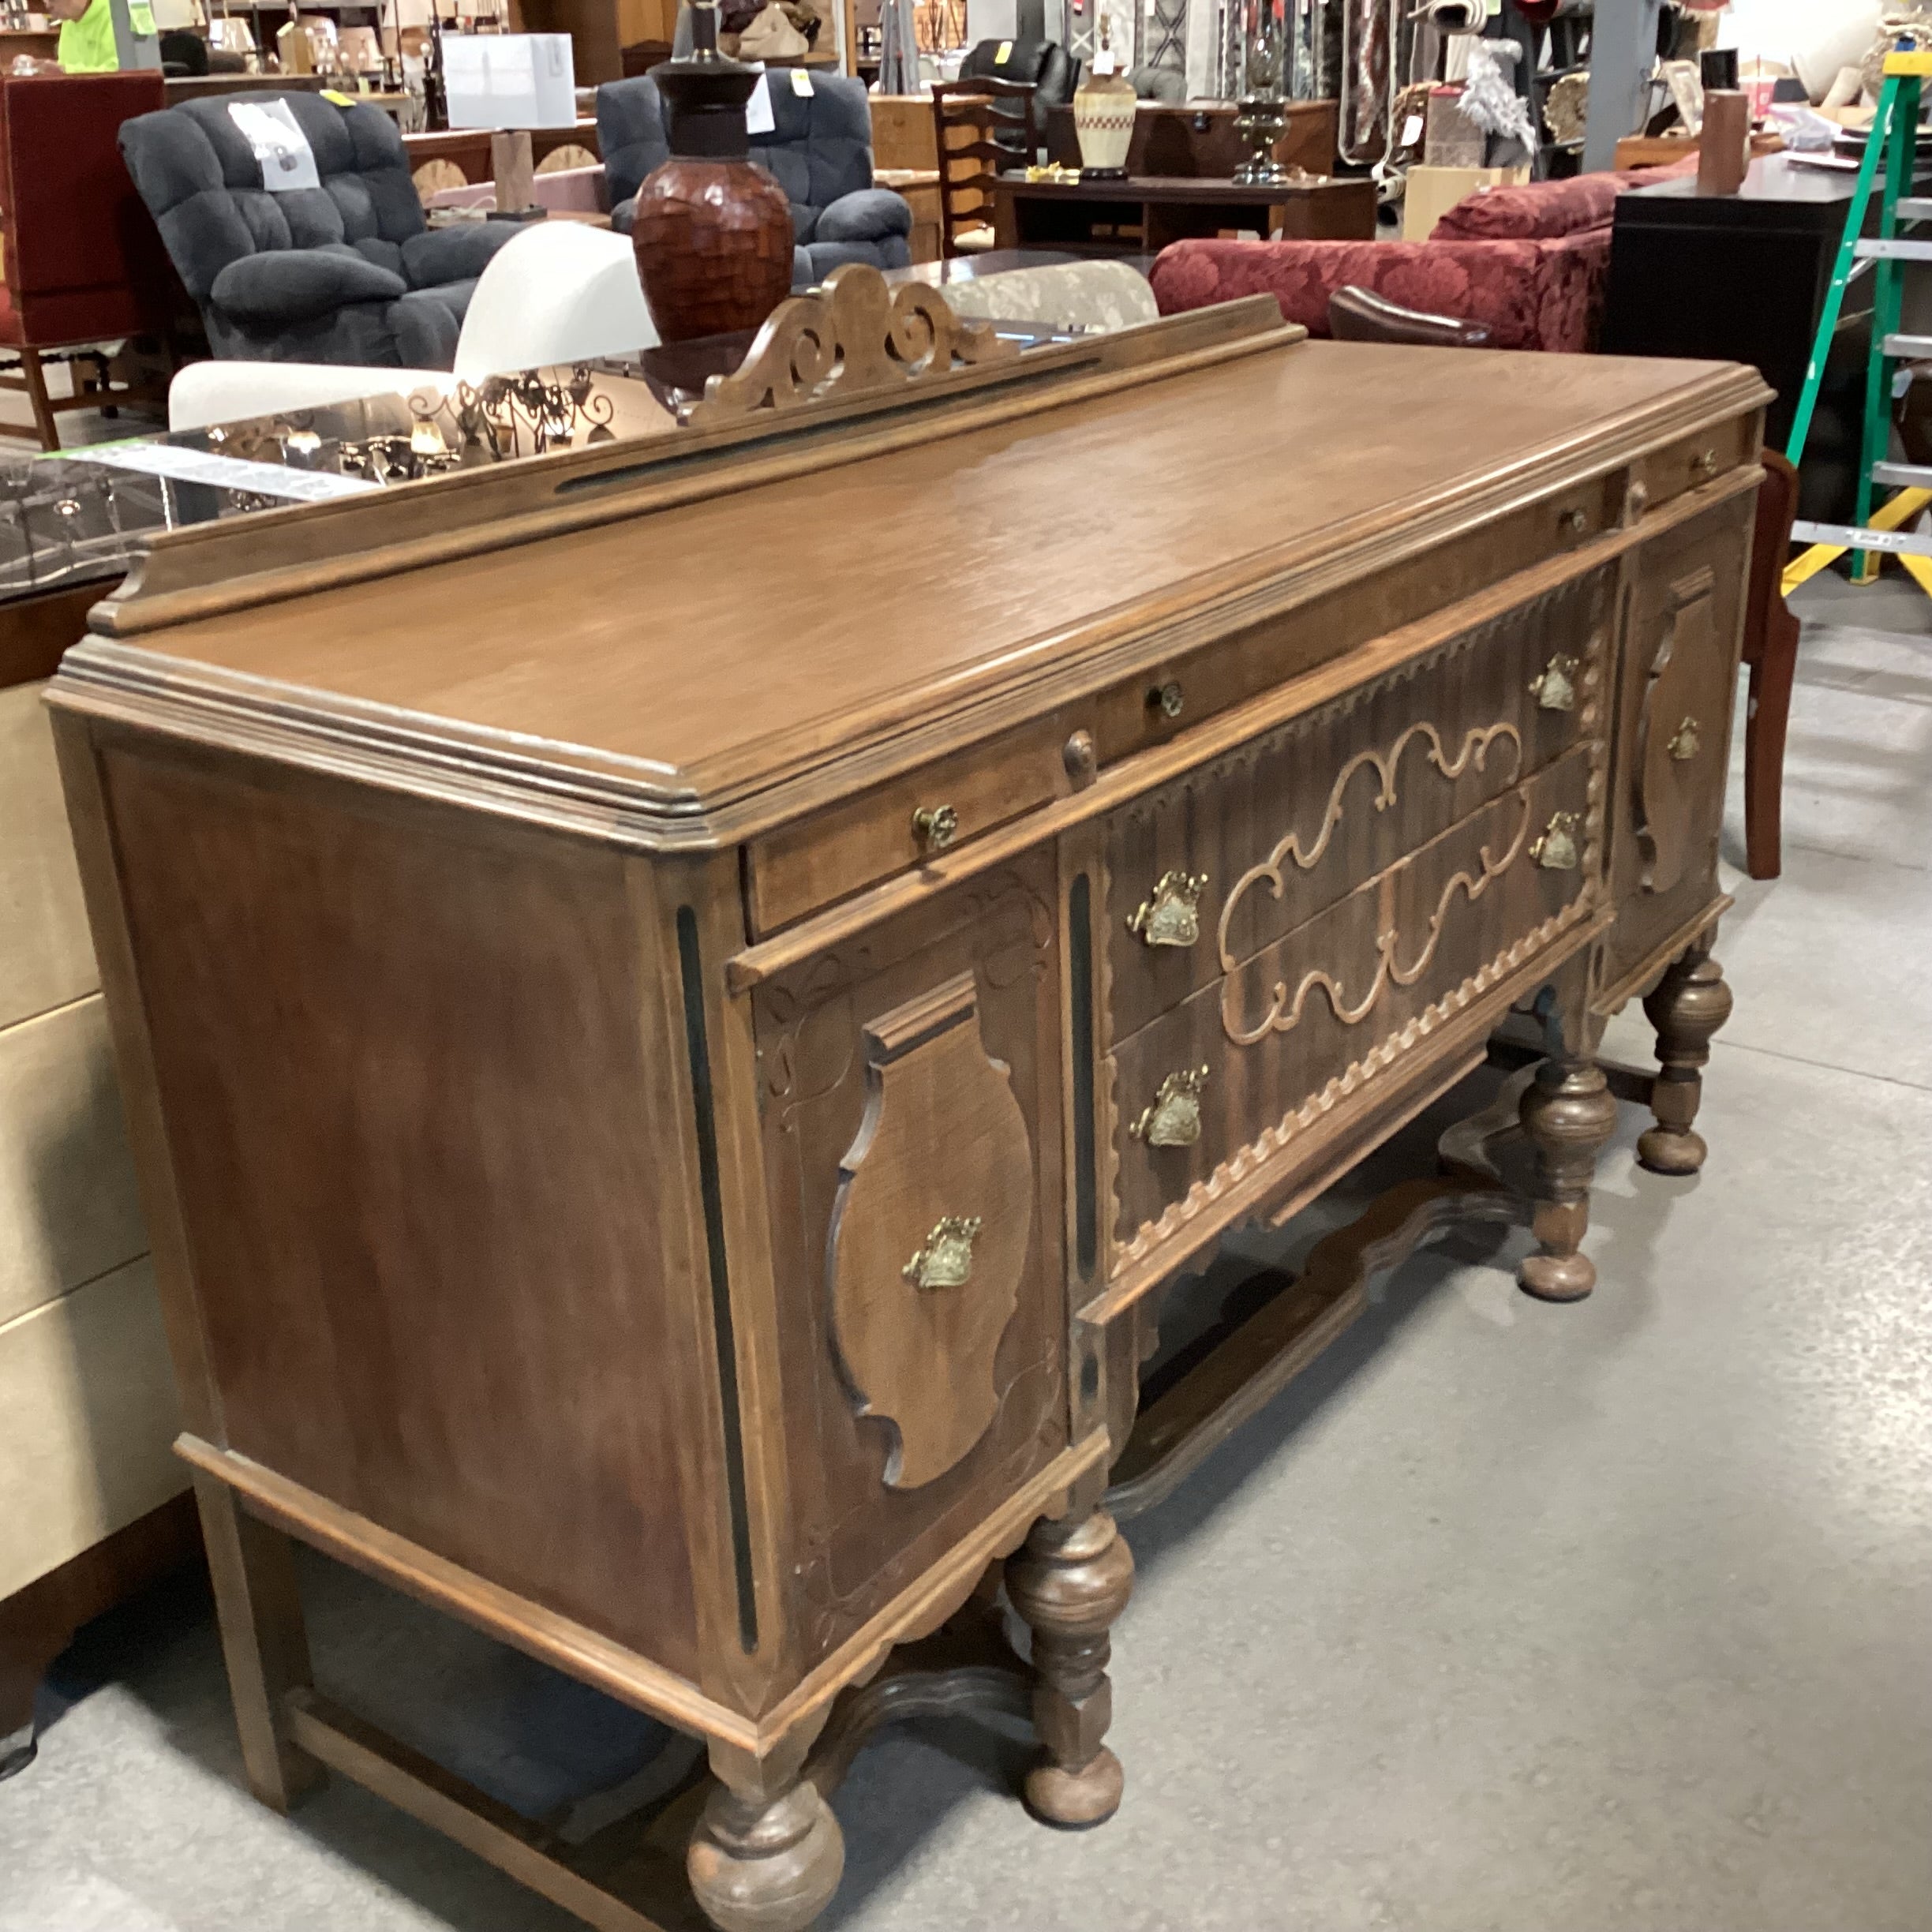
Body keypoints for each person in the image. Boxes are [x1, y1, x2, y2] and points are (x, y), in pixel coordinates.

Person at [47, 0, 156, 73]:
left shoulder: (116, 14)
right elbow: (65, 66)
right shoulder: (69, 20)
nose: (48, 5)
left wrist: (65, 71)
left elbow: (119, 72)